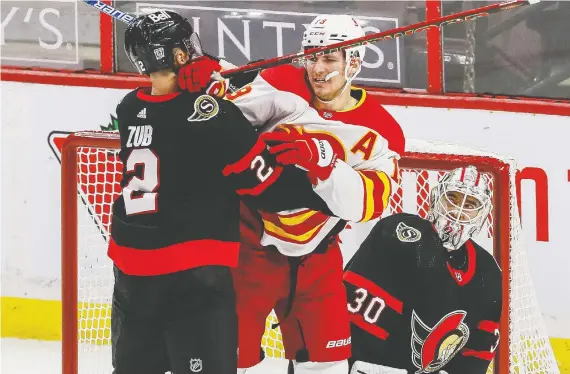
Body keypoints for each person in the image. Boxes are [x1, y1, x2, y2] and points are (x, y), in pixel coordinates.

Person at [178, 14, 405, 374]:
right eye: (311, 56)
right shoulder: (281, 83)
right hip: (249, 247)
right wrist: (212, 83)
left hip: (317, 256)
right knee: (226, 359)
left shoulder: (380, 128)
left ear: (355, 62)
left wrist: (325, 163)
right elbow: (229, 112)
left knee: (325, 365)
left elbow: (369, 204)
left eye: (329, 58)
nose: (317, 68)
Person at [108, 10, 330, 374]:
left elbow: (175, 119)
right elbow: (268, 190)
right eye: (188, 50)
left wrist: (216, 84)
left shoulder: (129, 107)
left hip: (130, 273)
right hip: (193, 274)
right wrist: (329, 190)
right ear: (181, 56)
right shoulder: (212, 116)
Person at [344, 165, 502, 374]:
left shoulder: (487, 271)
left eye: (471, 204)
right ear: (437, 199)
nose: (459, 210)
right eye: (453, 198)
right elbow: (357, 319)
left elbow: (478, 350)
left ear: (482, 215)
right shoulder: (400, 233)